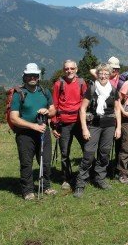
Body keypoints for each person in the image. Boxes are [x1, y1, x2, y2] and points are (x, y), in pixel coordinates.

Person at [8, 63, 57, 200]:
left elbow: (53, 110)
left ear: (38, 77)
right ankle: (28, 190)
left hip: (43, 131)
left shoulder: (44, 91)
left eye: (35, 75)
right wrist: (32, 126)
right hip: (25, 134)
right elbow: (14, 118)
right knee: (26, 163)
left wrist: (47, 111)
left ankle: (46, 186)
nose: (32, 78)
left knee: (46, 161)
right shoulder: (19, 94)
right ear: (25, 77)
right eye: (29, 75)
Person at [73, 63, 122, 197]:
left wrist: (118, 128)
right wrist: (84, 128)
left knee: (104, 153)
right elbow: (82, 109)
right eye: (101, 73)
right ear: (97, 74)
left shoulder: (113, 90)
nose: (104, 76)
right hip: (94, 124)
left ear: (110, 75)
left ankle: (100, 178)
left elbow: (117, 109)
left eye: (107, 74)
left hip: (110, 125)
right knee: (88, 154)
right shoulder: (92, 88)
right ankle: (80, 183)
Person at [51, 59, 87, 190]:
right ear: (63, 70)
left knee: (87, 149)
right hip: (64, 124)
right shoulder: (58, 84)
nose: (69, 71)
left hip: (79, 122)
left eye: (72, 68)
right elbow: (54, 105)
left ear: (76, 69)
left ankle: (86, 174)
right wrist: (54, 125)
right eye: (67, 69)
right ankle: (66, 178)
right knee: (65, 153)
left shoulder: (82, 83)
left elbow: (86, 102)